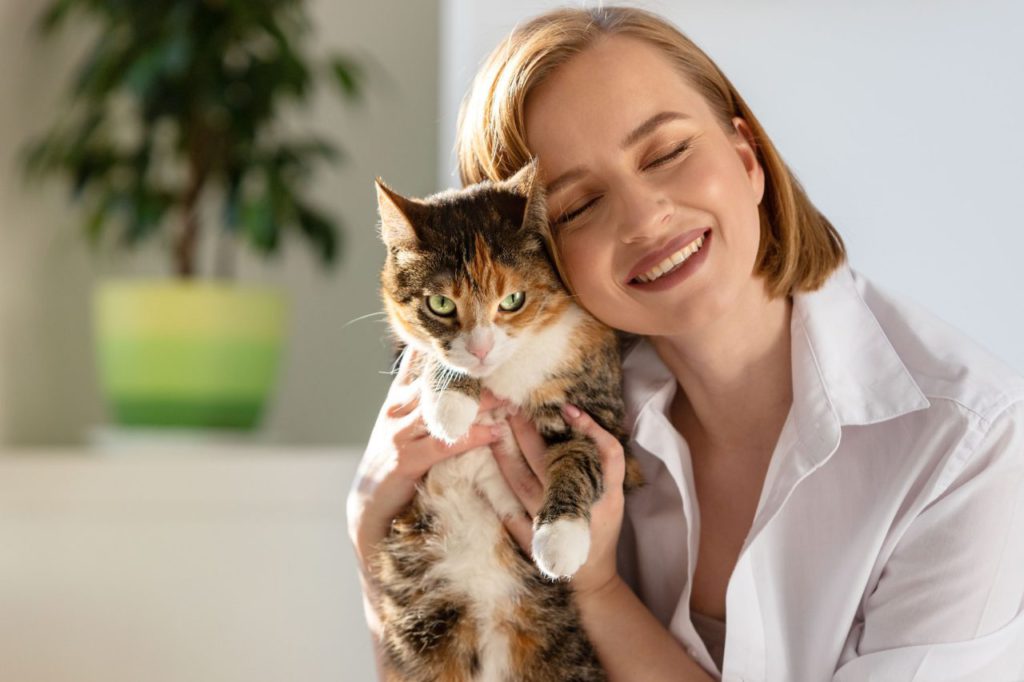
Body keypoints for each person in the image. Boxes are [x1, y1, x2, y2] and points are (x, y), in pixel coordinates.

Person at [347, 6, 1024, 681]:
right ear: (532, 261)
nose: (646, 218)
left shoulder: (972, 444)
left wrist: (601, 592)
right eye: (579, 205)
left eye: (668, 153)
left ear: (745, 155)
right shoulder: (537, 424)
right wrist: (371, 540)